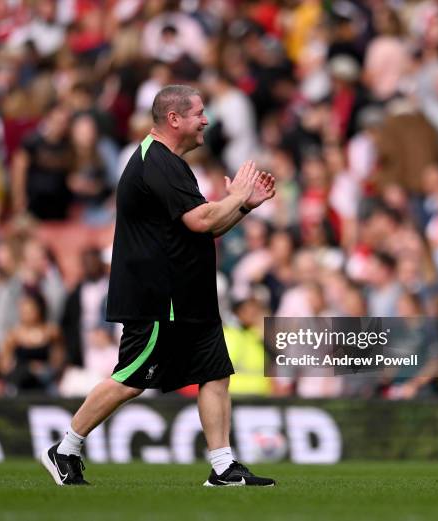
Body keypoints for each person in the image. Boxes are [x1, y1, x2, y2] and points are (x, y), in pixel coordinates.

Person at [41, 85, 276, 487]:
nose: (206, 120)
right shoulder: (158, 162)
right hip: (159, 298)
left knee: (215, 373)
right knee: (131, 378)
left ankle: (223, 467)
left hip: (187, 295)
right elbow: (201, 221)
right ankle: (66, 447)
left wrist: (243, 204)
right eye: (199, 113)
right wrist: (235, 195)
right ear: (174, 119)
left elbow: (206, 225)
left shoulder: (170, 163)